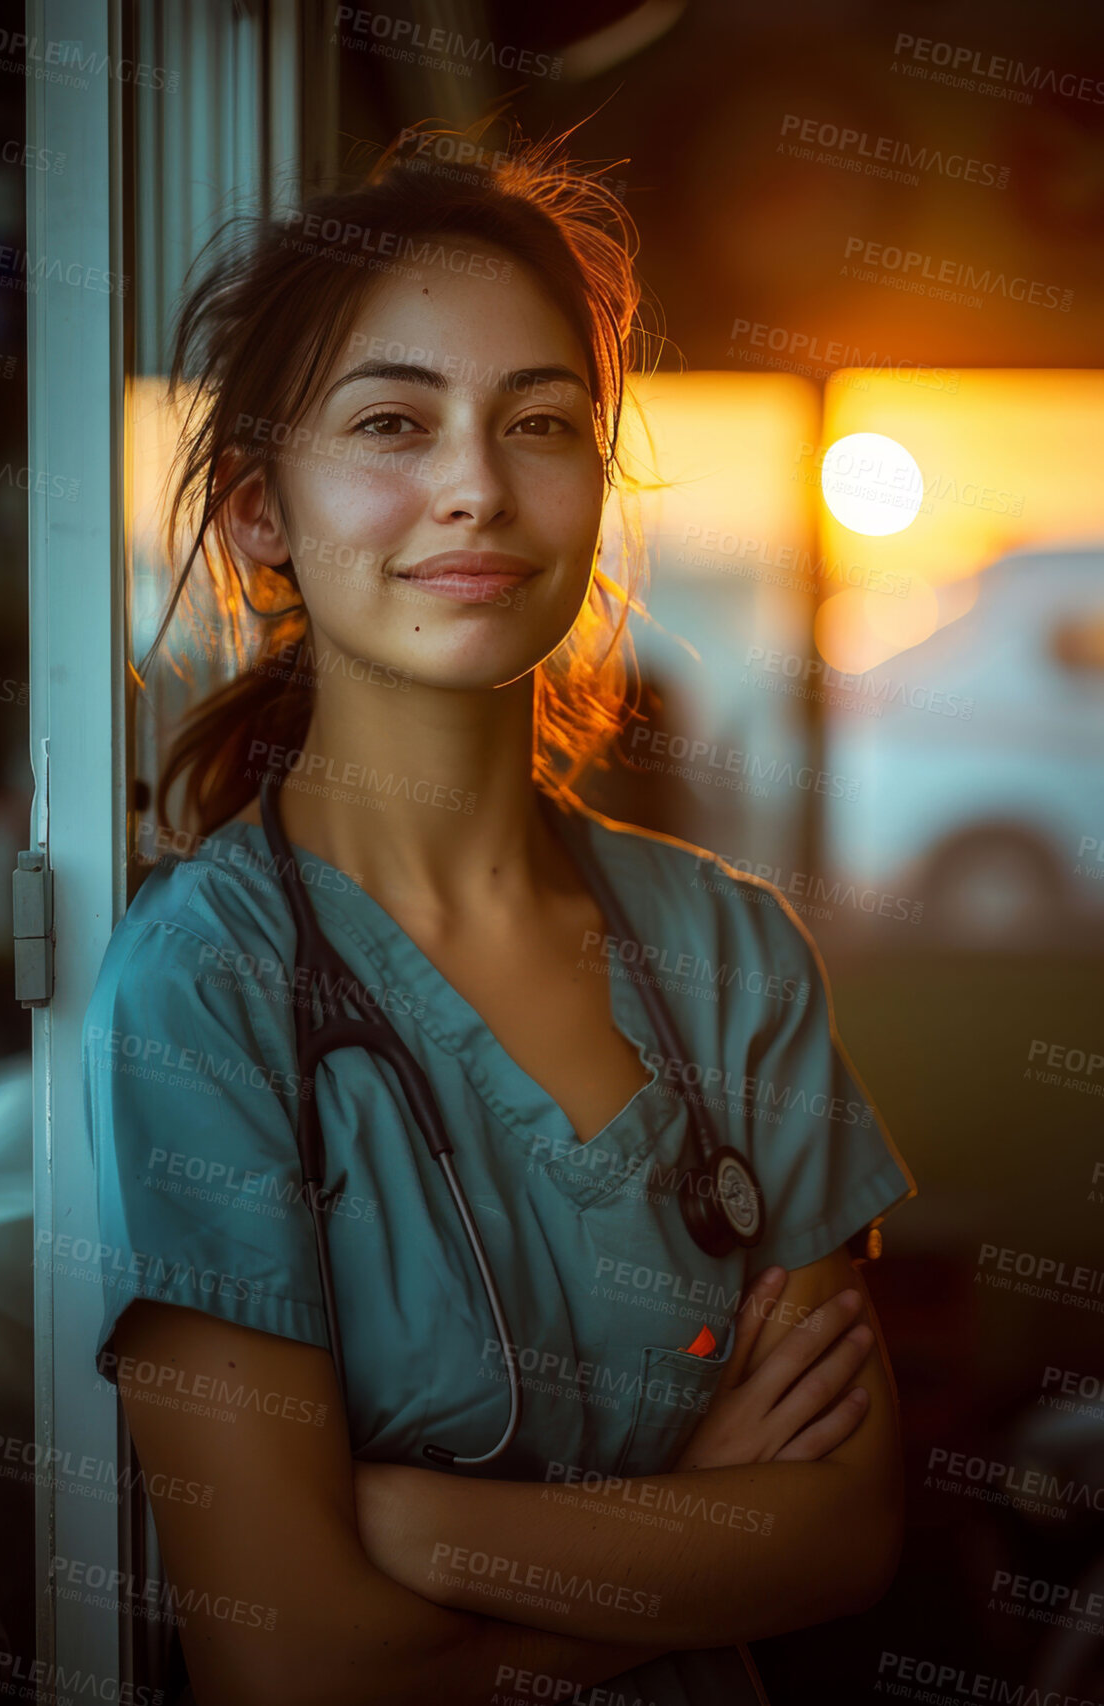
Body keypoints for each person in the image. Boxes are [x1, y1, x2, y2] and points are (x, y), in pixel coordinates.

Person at [83, 124, 916, 1706]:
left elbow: (846, 1529)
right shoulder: (210, 983)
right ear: (261, 510)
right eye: (394, 421)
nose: (475, 485)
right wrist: (684, 1540)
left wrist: (428, 1532)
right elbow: (298, 1667)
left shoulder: (733, 955)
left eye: (539, 422)